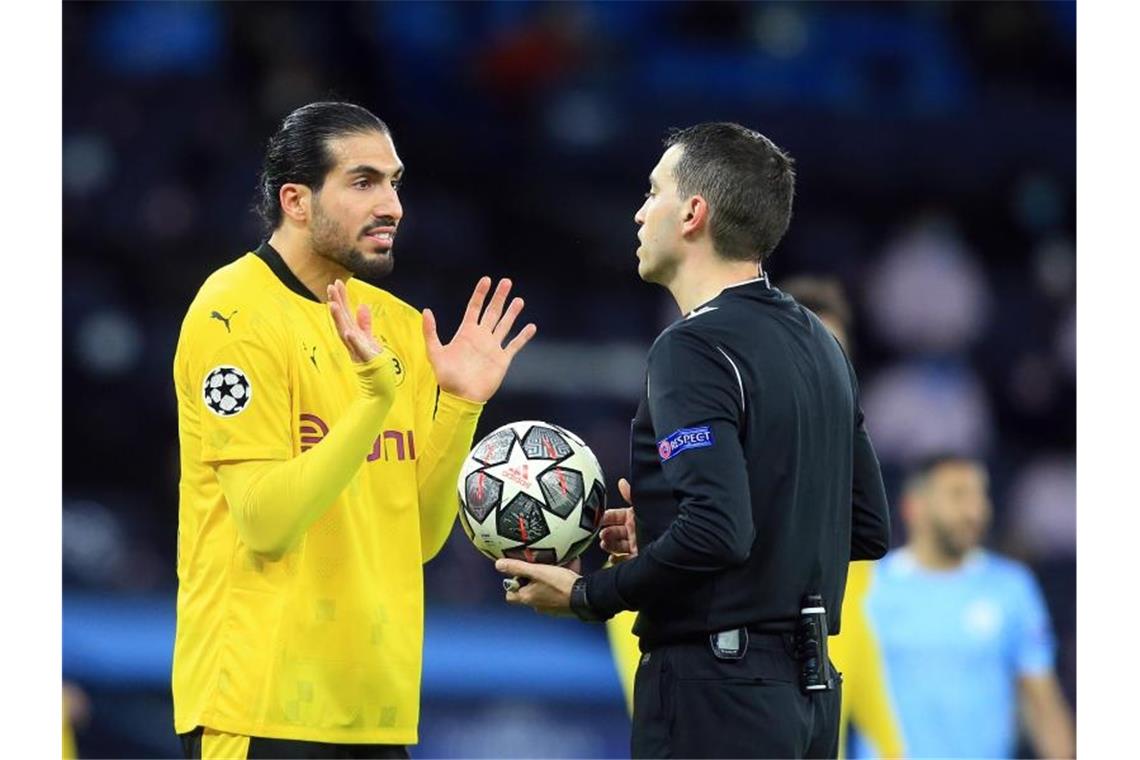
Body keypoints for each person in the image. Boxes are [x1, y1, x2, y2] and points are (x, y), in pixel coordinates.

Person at [496, 122, 891, 759]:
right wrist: (662, 529)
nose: (638, 211)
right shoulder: (822, 343)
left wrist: (589, 594)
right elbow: (866, 526)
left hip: (718, 695)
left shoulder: (694, 346)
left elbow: (718, 530)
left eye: (653, 191)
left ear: (693, 213)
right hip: (811, 700)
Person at [171, 102, 536, 759]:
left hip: (375, 712)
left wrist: (458, 405)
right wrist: (371, 404)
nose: (393, 204)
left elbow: (418, 537)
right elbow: (263, 522)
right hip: (261, 707)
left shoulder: (396, 327)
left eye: (396, 182)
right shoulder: (233, 314)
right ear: (297, 201)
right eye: (364, 182)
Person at [859, 455, 1075, 759]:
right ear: (914, 507)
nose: (975, 510)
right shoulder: (868, 587)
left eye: (980, 496)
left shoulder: (1012, 587)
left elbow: (1043, 704)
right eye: (958, 495)